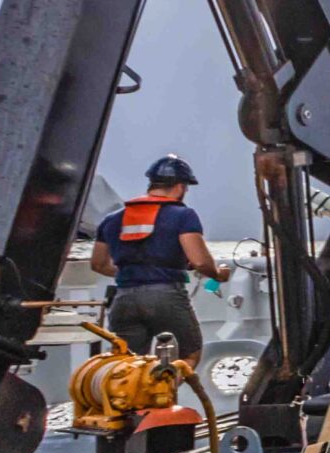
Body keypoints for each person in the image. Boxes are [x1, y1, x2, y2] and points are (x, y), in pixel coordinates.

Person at [87, 154, 231, 362]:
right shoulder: (183, 216)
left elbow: (98, 264)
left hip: (124, 298)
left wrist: (134, 273)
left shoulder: (112, 219)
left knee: (127, 364)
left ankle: (135, 395)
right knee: (187, 355)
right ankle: (164, 392)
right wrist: (218, 274)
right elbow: (200, 262)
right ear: (181, 187)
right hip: (166, 297)